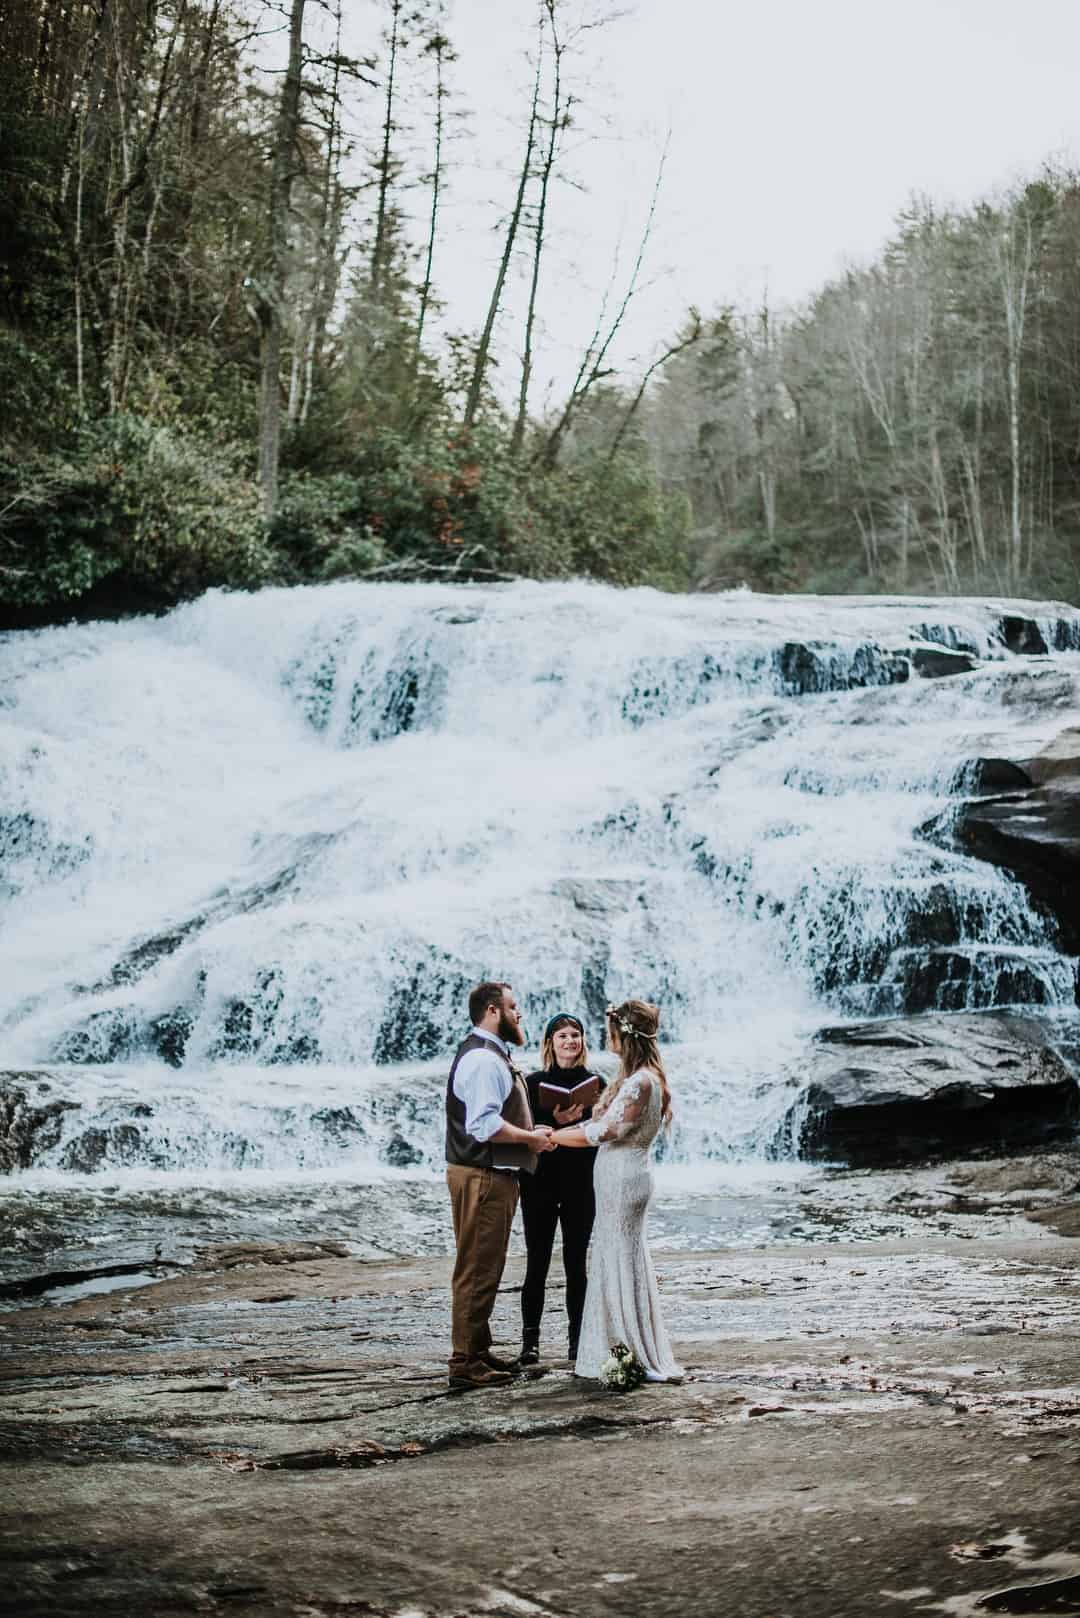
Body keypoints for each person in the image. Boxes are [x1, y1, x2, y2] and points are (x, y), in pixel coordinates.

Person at [551, 999, 683, 1383]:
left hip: (624, 1177)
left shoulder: (641, 1080)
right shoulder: (642, 1077)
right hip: (625, 1174)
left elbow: (607, 1131)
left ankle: (625, 1346)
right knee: (619, 1255)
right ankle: (623, 1343)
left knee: (618, 1255)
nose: (605, 1037)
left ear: (624, 1035)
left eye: (610, 1031)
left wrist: (555, 1136)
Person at [445, 980, 556, 1391]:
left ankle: (477, 1348)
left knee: (483, 1264)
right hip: (484, 1175)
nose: (519, 1013)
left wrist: (530, 1129)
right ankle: (464, 1362)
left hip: (485, 1173)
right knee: (477, 1267)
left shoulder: (487, 1054)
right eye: (513, 1006)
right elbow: (484, 1125)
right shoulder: (484, 1060)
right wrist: (532, 1140)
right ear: (493, 1011)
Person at [519, 1012, 605, 1367]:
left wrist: (578, 1122)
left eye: (576, 1035)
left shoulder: (597, 1083)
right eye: (562, 1036)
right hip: (538, 1180)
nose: (570, 1041)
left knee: (575, 1263)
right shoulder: (532, 1081)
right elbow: (521, 1128)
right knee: (536, 1261)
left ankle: (576, 1340)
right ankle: (530, 1343)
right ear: (550, 1043)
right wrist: (556, 1122)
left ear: (583, 1041)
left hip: (580, 1181)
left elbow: (603, 1133)